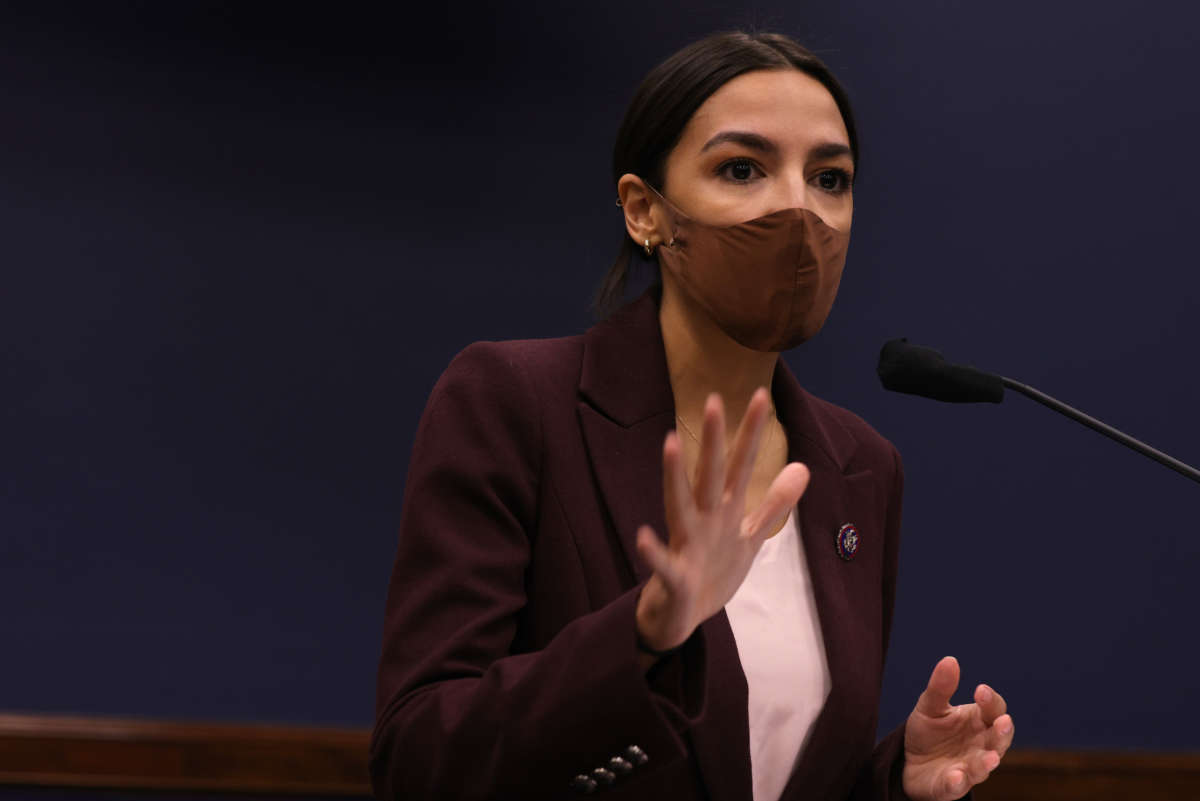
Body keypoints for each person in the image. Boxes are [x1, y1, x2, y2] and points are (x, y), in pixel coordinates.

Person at [370, 30, 1014, 801]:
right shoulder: (513, 402)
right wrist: (643, 630)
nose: (797, 207)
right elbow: (417, 758)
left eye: (830, 178)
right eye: (743, 169)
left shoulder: (862, 465)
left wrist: (892, 782)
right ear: (644, 210)